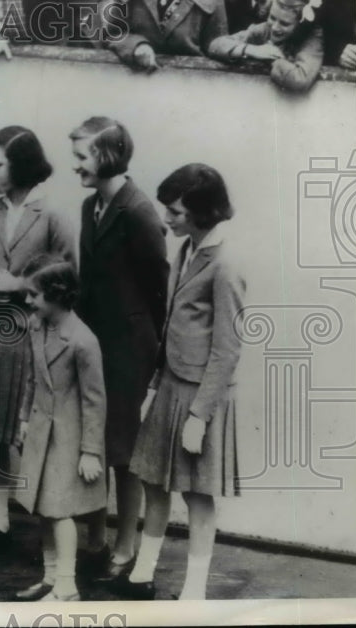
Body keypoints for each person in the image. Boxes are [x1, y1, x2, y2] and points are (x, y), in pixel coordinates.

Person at [114, 164, 246, 601]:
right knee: (153, 482)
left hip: (198, 398)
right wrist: (153, 386)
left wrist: (199, 415)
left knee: (197, 498)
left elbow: (227, 350)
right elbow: (171, 324)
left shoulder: (225, 264)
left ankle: (193, 593)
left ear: (201, 213)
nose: (165, 219)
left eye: (174, 211)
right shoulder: (187, 250)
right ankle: (142, 575)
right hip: (170, 385)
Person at [0, 126, 76, 551]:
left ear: (22, 166)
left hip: (31, 338)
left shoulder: (53, 217)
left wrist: (18, 285)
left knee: (20, 427)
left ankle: (27, 517)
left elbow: (66, 279)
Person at [69, 117, 168, 582]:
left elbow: (156, 290)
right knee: (93, 441)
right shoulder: (92, 205)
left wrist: (150, 354)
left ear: (108, 157)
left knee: (124, 453)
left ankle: (125, 546)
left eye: (83, 156)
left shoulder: (139, 210)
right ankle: (96, 538)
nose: (77, 166)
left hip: (129, 350)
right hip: (94, 345)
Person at [13, 255, 107, 602]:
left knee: (61, 511)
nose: (28, 301)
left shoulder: (83, 341)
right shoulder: (37, 326)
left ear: (57, 295)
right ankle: (51, 579)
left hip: (68, 439)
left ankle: (67, 587)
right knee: (43, 508)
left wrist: (90, 451)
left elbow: (95, 401)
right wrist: (23, 418)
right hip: (40, 432)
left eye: (34, 295)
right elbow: (30, 378)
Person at [208, 0, 324, 93]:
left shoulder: (312, 40)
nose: (274, 27)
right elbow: (215, 45)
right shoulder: (265, 29)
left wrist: (272, 58)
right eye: (272, 18)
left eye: (284, 23)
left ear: (301, 24)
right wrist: (251, 50)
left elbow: (300, 80)